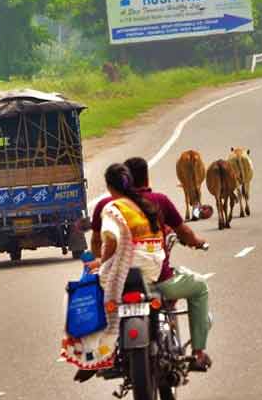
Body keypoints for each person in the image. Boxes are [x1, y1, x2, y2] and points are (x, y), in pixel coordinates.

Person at [88, 157, 213, 373]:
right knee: (200, 287)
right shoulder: (158, 201)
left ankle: (93, 354)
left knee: (95, 298)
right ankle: (198, 352)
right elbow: (184, 232)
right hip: (158, 280)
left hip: (118, 284)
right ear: (146, 176)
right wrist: (197, 242)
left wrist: (101, 262)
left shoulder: (104, 206)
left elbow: (99, 243)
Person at [62, 163, 166, 381]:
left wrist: (100, 261)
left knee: (88, 296)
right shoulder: (145, 204)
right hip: (150, 270)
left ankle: (91, 355)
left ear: (109, 186)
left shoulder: (110, 207)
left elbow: (108, 238)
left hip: (121, 271)